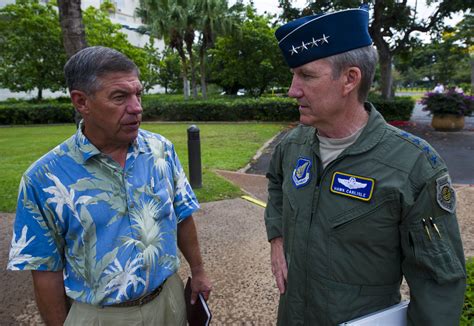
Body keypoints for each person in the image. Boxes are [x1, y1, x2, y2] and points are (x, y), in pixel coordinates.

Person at [264, 7, 466, 326]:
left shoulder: (413, 165)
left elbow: (438, 284)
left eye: (306, 75)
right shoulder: (293, 146)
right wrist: (277, 236)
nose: (293, 90)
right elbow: (275, 182)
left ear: (350, 79)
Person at [7, 46, 211, 325]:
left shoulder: (161, 150)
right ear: (81, 102)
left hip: (170, 302)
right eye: (120, 97)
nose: (137, 107)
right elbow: (45, 270)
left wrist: (198, 270)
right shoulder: (43, 179)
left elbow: (182, 214)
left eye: (138, 93)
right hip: (101, 317)